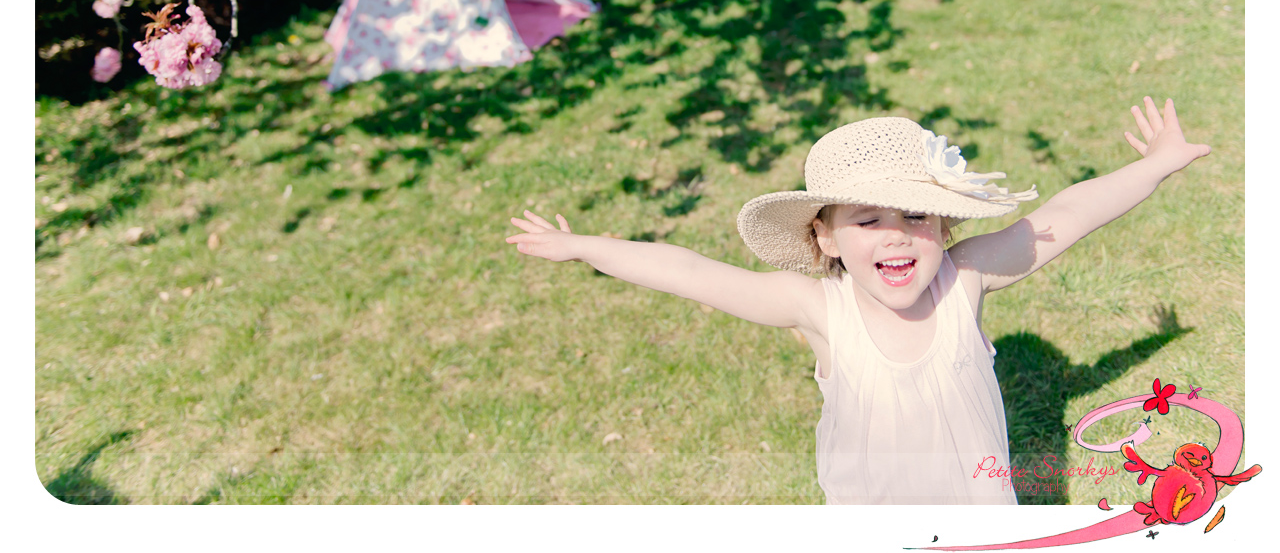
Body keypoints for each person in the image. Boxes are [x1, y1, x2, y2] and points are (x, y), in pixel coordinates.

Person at [505, 97, 1210, 504]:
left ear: (945, 228)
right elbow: (690, 272)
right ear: (827, 238)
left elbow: (1066, 214)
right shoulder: (818, 311)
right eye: (868, 219)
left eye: (916, 218)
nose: (897, 237)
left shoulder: (963, 281)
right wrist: (586, 247)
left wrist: (1155, 165)